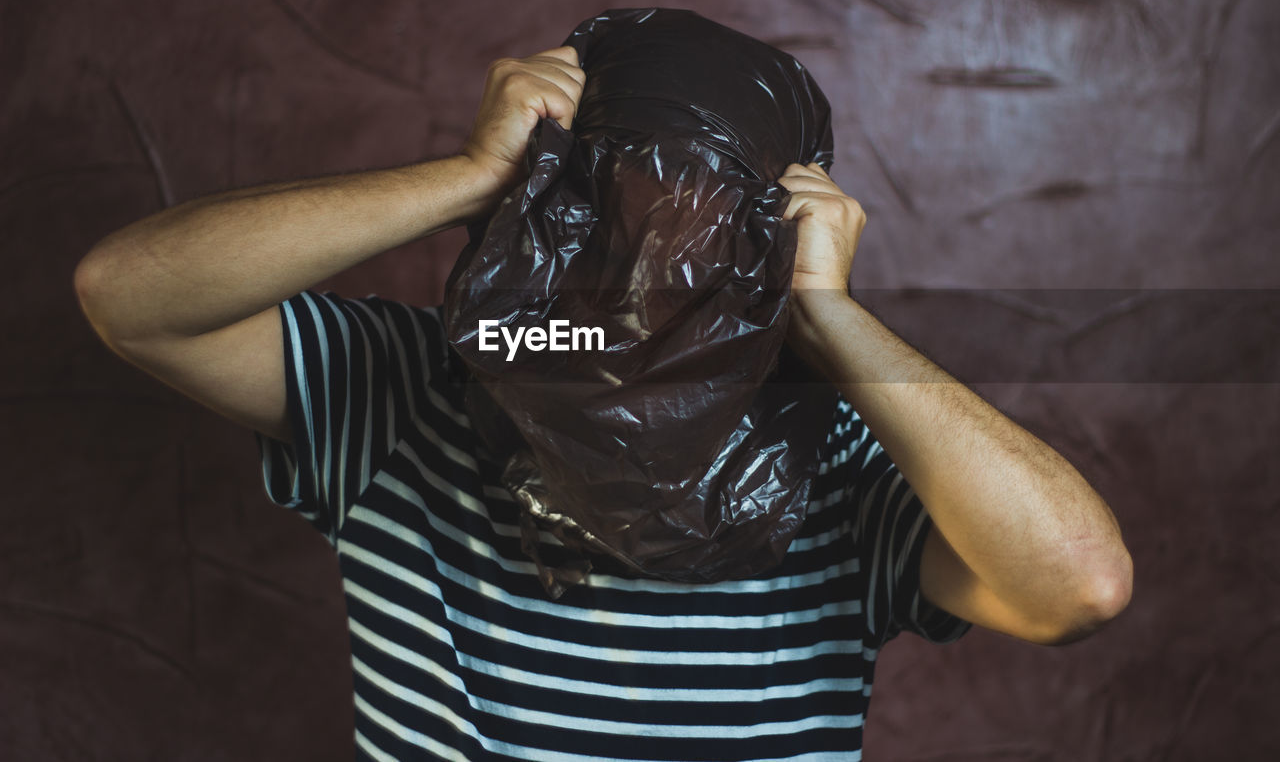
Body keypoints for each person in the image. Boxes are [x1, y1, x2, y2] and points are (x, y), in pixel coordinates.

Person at [74, 44, 1133, 761]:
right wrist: (467, 174)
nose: (644, 287)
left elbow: (1076, 584)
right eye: (600, 219)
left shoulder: (844, 457)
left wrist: (830, 318)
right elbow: (132, 296)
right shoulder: (408, 394)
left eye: (709, 244)